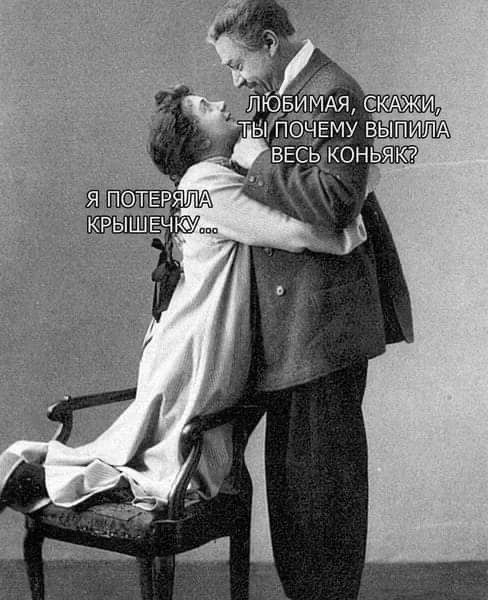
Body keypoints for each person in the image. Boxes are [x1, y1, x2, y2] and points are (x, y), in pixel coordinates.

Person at [0, 85, 369, 517]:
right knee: (164, 463)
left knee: (157, 452)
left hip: (185, 332)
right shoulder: (209, 184)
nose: (221, 103)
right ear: (196, 140)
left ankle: (29, 476)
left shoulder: (212, 178)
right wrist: (354, 211)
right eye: (205, 108)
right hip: (195, 340)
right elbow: (298, 232)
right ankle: (31, 478)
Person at [208, 1, 414, 599]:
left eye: (238, 64)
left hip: (324, 329)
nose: (236, 81)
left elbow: (336, 201)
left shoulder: (335, 91)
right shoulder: (281, 92)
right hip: (291, 331)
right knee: (295, 497)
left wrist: (256, 161)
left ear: (270, 43)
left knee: (326, 499)